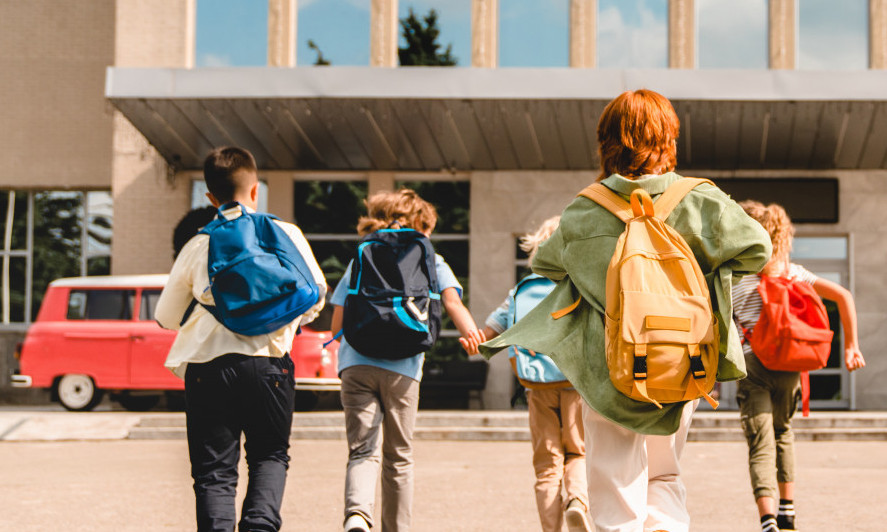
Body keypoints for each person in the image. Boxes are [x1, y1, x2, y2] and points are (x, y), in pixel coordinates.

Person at [478, 89, 772, 532]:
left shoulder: (585, 209)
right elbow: (758, 249)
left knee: (614, 487)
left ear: (607, 141)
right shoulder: (699, 199)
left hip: (608, 368)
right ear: (668, 137)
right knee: (665, 474)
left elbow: (544, 264)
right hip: (682, 361)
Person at [155, 146, 327, 532]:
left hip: (207, 368)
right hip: (270, 365)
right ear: (255, 191)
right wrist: (281, 321)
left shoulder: (199, 244)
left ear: (210, 197)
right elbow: (315, 292)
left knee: (214, 471)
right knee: (269, 456)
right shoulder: (285, 233)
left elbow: (165, 316)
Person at [329, 188, 484, 532]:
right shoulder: (431, 258)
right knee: (398, 457)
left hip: (356, 364)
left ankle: (357, 515)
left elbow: (338, 321)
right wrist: (473, 336)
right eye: (427, 228)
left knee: (362, 450)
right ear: (419, 224)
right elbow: (454, 303)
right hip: (404, 367)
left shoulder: (362, 255)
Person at [732, 200, 865, 532]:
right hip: (790, 367)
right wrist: (851, 347)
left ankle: (767, 521)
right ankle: (788, 512)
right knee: (783, 434)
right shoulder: (791, 271)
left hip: (754, 366)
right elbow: (844, 296)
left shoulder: (734, 276)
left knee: (760, 441)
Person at [464, 215, 591, 532]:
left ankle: (551, 529)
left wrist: (474, 342)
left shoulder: (521, 290)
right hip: (577, 384)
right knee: (578, 452)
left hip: (536, 385)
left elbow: (489, 333)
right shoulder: (583, 286)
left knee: (547, 465)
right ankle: (576, 500)